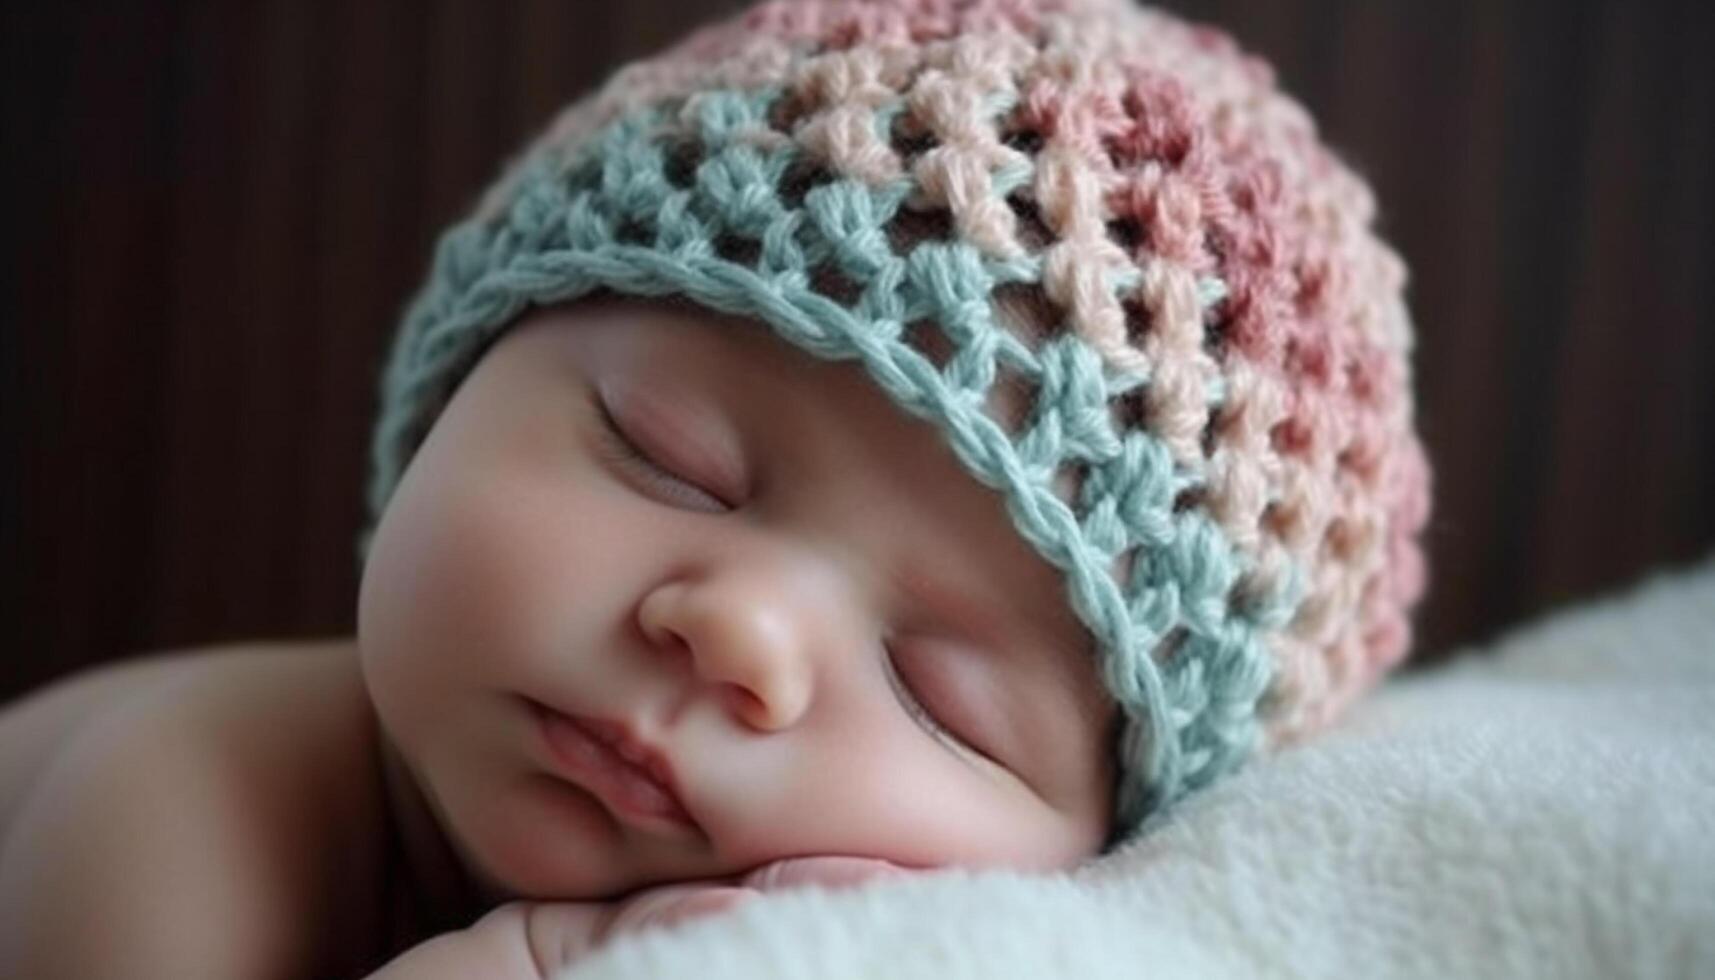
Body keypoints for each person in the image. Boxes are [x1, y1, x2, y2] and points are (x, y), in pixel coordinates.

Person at [0, 0, 1432, 976]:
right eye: (660, 455)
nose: (739, 632)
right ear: (456, 379)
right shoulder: (180, 806)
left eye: (943, 698)